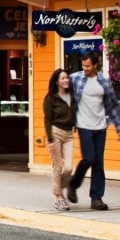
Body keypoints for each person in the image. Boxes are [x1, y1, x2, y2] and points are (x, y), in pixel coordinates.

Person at [68, 52, 120, 210]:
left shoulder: (104, 81)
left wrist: (118, 127)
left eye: (88, 66)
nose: (85, 69)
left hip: (101, 126)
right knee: (88, 158)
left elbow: (112, 104)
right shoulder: (75, 78)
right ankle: (73, 184)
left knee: (98, 163)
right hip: (83, 124)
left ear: (95, 65)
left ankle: (96, 198)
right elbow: (60, 87)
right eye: (83, 66)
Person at [42, 69, 75, 211]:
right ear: (56, 81)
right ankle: (59, 198)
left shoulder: (72, 95)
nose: (66, 80)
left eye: (67, 78)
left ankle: (58, 190)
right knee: (57, 166)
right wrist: (50, 140)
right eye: (62, 78)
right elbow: (47, 119)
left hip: (69, 133)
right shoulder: (50, 98)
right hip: (56, 132)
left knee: (68, 167)